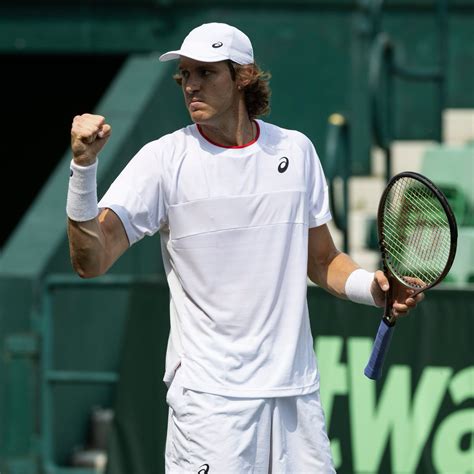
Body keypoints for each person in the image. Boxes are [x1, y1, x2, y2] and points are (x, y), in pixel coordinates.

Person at [67, 22, 424, 474]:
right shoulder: (162, 161)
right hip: (211, 406)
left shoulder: (297, 152)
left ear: (243, 77)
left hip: (295, 399)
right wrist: (83, 169)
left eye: (206, 72)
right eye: (185, 74)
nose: (191, 84)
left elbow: (322, 260)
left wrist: (371, 288)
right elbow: (90, 260)